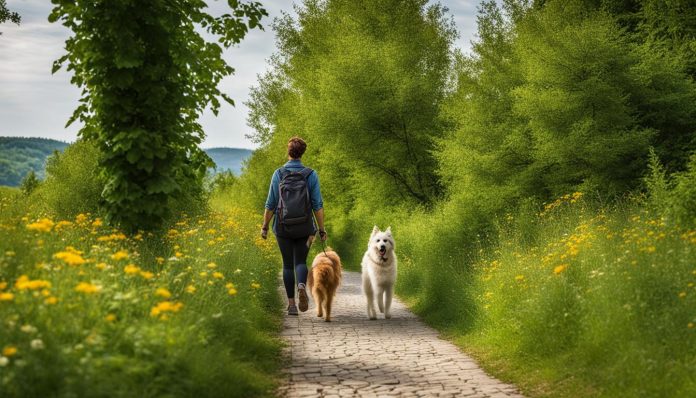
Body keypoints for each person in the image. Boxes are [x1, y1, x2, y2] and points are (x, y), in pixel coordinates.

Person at [261, 136, 327, 316]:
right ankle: (301, 286)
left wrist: (265, 226)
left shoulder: (279, 174)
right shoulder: (310, 174)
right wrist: (321, 229)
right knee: (300, 261)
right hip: (306, 228)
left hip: (283, 227)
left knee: (287, 264)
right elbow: (317, 205)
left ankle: (291, 305)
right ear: (302, 153)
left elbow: (271, 204)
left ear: (288, 151)